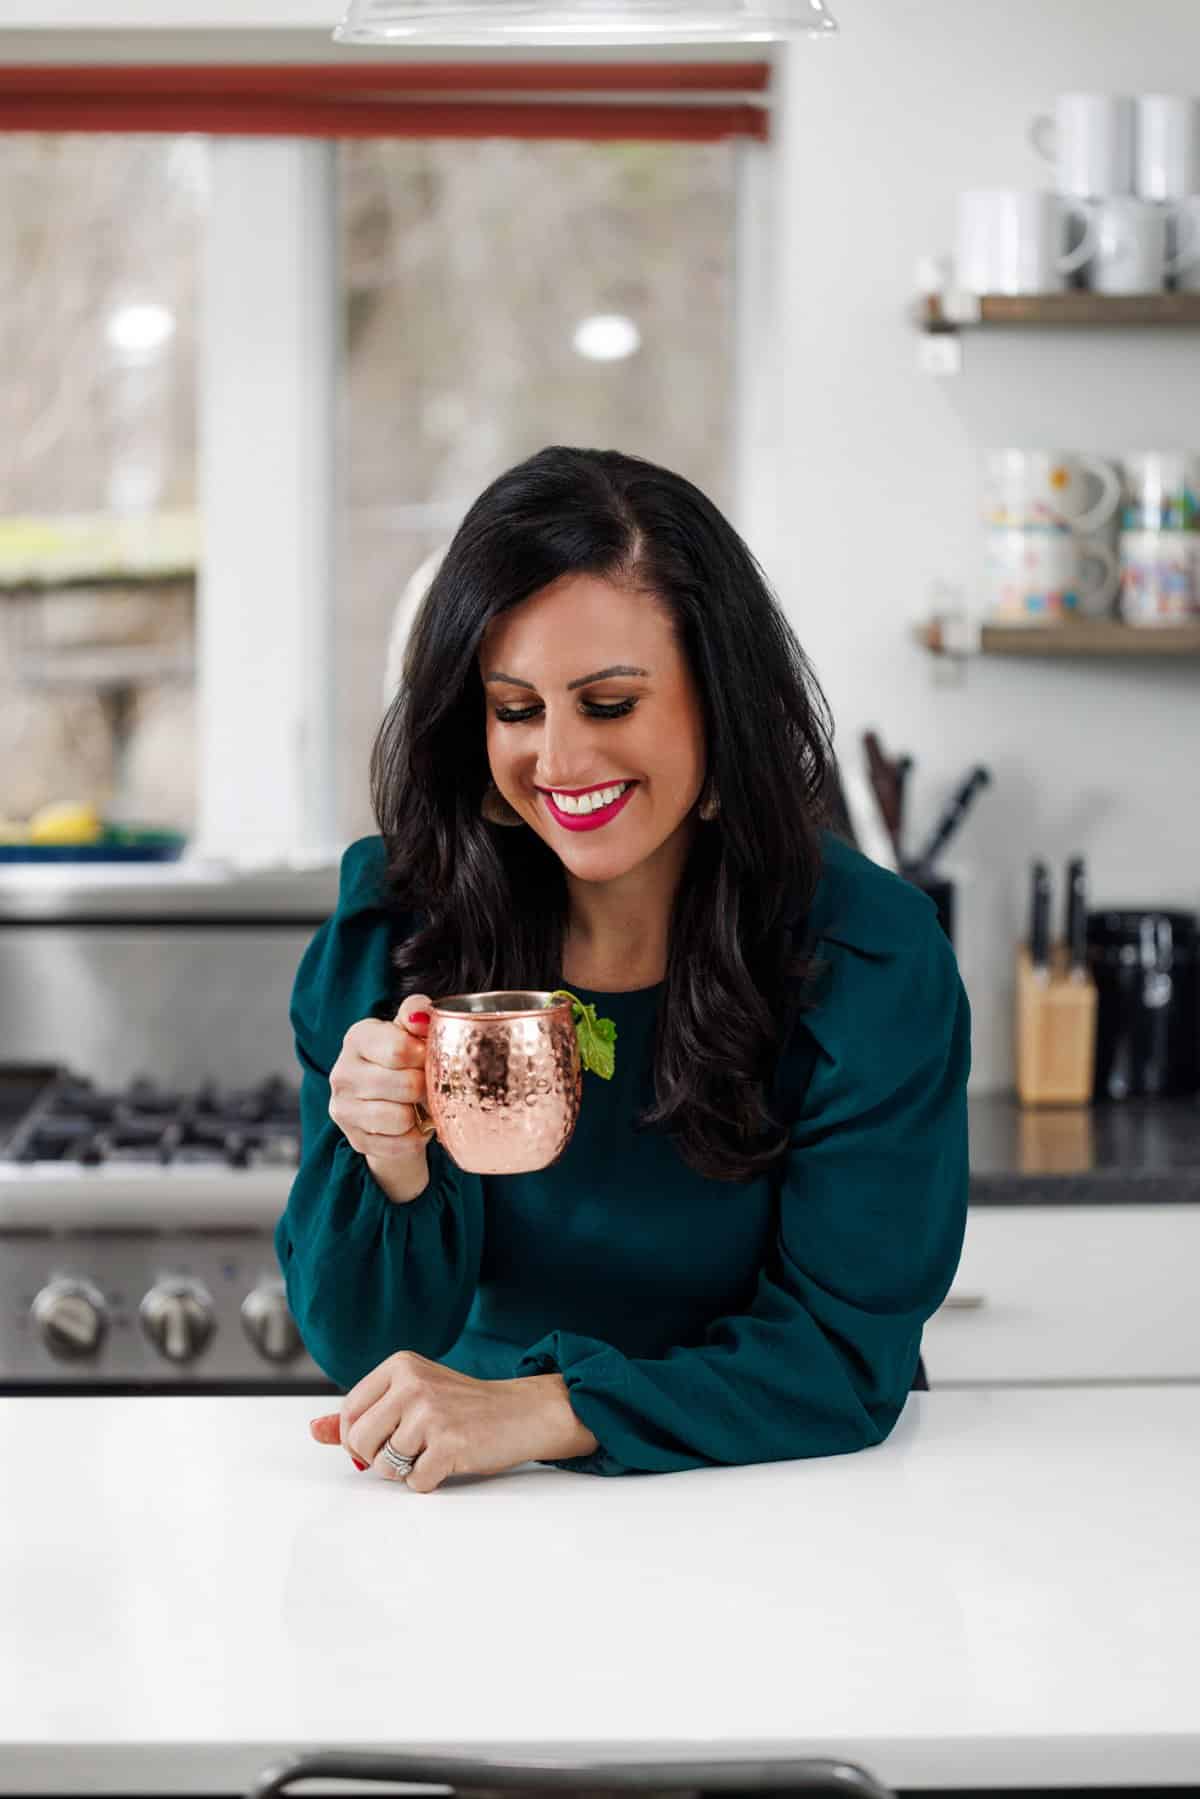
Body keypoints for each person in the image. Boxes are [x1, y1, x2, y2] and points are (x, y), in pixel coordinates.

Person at [276, 445, 972, 1495]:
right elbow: (358, 1346)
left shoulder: (868, 956)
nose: (558, 760)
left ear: (718, 701)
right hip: (482, 1495)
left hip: (787, 1498)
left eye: (608, 703)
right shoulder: (396, 927)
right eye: (517, 709)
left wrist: (544, 1408)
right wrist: (388, 1164)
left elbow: (841, 1360)